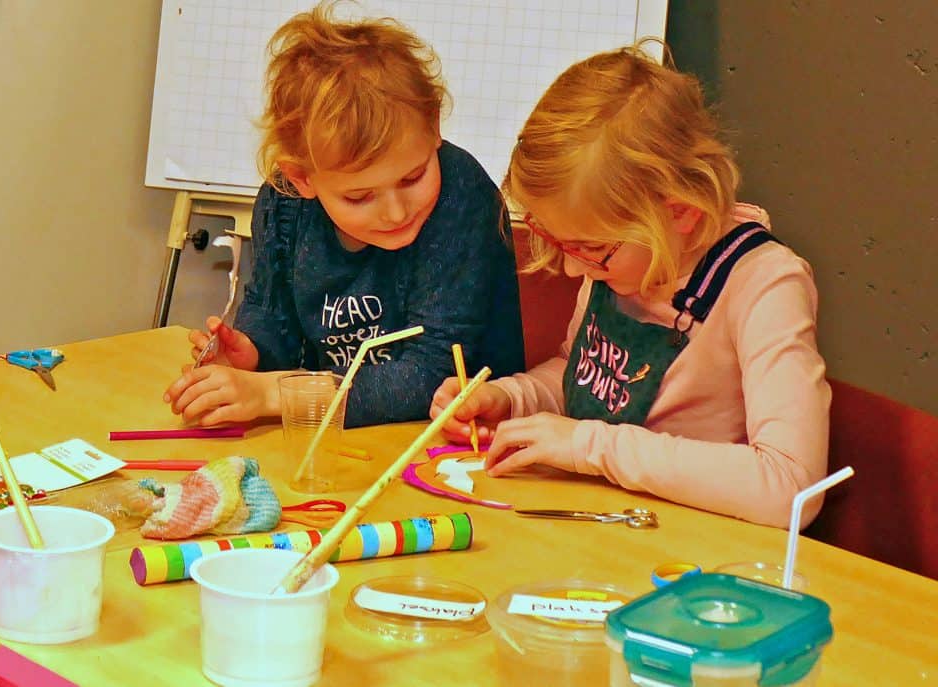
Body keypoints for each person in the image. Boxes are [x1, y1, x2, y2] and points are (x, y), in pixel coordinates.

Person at [430, 43, 830, 528]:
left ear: (680, 213)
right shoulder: (624, 256)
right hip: (604, 527)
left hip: (701, 559)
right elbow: (590, 381)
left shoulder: (764, 284)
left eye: (590, 250)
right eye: (557, 243)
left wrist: (587, 445)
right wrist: (511, 401)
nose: (575, 271)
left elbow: (791, 488)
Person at [164, 1, 524, 428]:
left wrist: (275, 392)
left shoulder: (462, 195)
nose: (395, 211)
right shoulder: (283, 203)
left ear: (434, 128)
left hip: (456, 449)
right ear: (302, 180)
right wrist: (252, 354)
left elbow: (433, 374)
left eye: (412, 178)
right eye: (359, 197)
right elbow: (271, 314)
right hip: (337, 433)